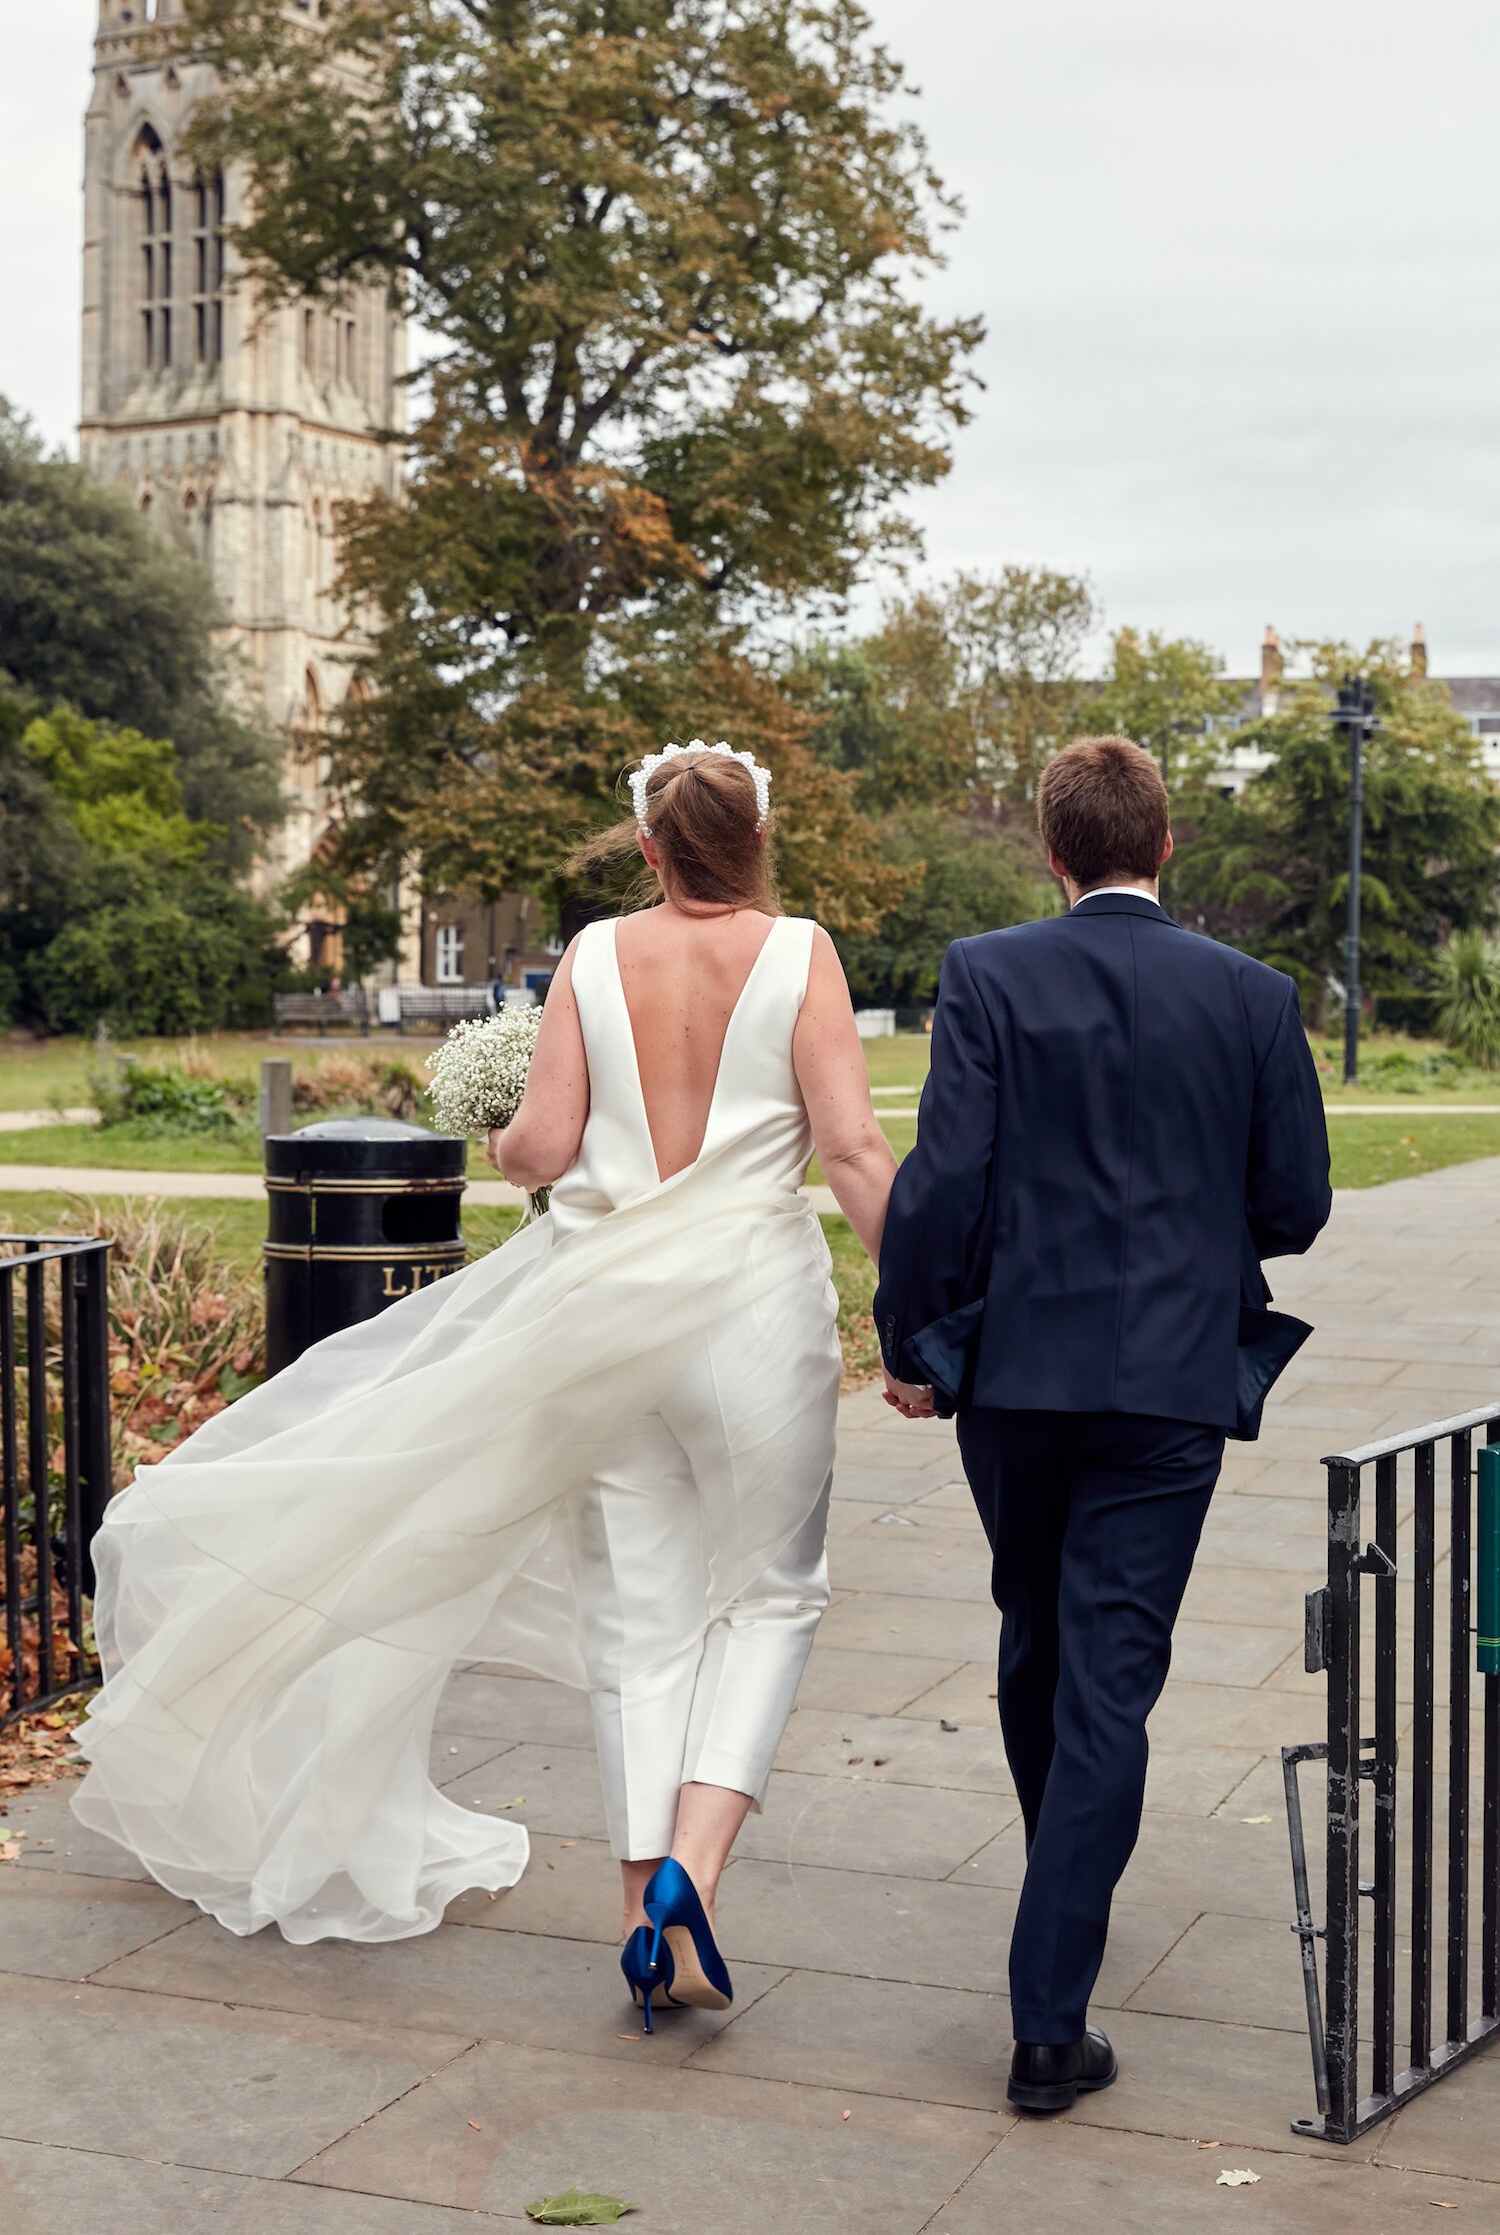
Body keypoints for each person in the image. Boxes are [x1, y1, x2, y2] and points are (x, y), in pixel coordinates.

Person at [73, 739, 898, 2034]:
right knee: (772, 1594)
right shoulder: (801, 952)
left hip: (599, 1318)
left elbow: (545, 1147)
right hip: (750, 1312)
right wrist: (917, 1308)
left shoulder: (592, 956)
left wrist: (508, 1130)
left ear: (646, 848)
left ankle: (642, 1918)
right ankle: (699, 1862)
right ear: (756, 839)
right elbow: (848, 1146)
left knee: (640, 1621)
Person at [875, 735, 1331, 2112]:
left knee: (1041, 1634)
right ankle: (1052, 2000)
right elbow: (1294, 1205)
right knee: (1103, 1673)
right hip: (1169, 1387)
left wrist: (910, 1343)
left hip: (1016, 1378)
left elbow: (944, 1183)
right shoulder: (1252, 994)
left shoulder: (989, 973)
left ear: (1052, 851)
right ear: (1167, 845)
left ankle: (1056, 1934)